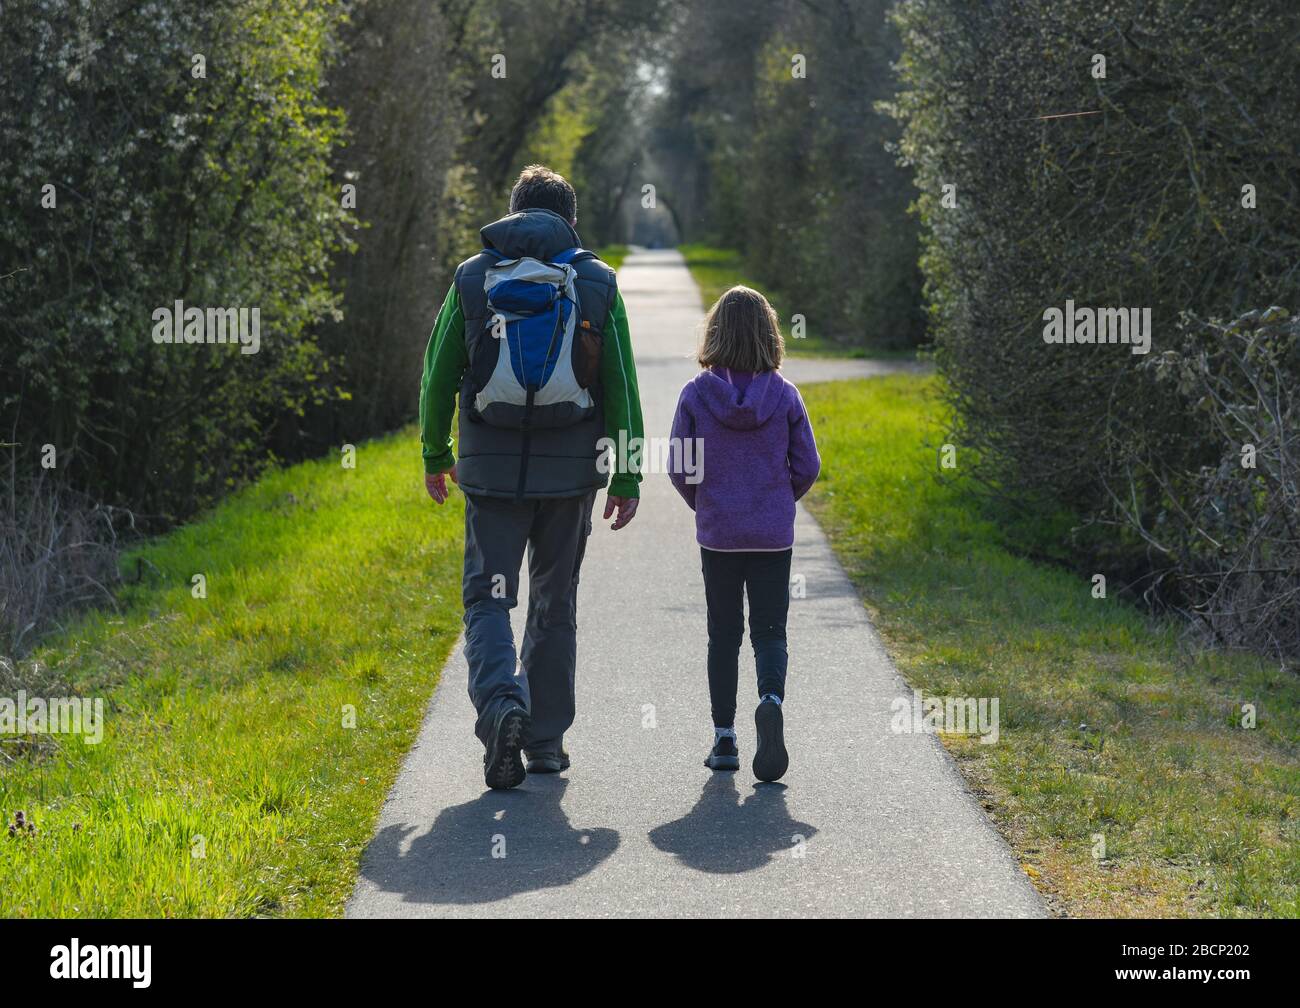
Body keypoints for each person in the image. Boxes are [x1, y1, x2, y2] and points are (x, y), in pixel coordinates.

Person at [421, 165, 644, 790]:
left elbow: (438, 374)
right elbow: (620, 386)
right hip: (570, 478)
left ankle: (500, 710)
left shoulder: (472, 277)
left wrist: (435, 453)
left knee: (488, 599)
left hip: (489, 476)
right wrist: (626, 474)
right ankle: (544, 743)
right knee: (554, 603)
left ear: (513, 213)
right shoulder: (596, 283)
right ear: (571, 221)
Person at [668, 285, 821, 782]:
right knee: (770, 630)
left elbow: (679, 466)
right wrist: (777, 502)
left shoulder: (695, 394)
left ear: (715, 333)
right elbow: (808, 465)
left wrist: (708, 504)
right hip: (772, 534)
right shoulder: (786, 395)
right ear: (769, 334)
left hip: (720, 535)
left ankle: (725, 738)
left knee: (724, 634)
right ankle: (770, 700)